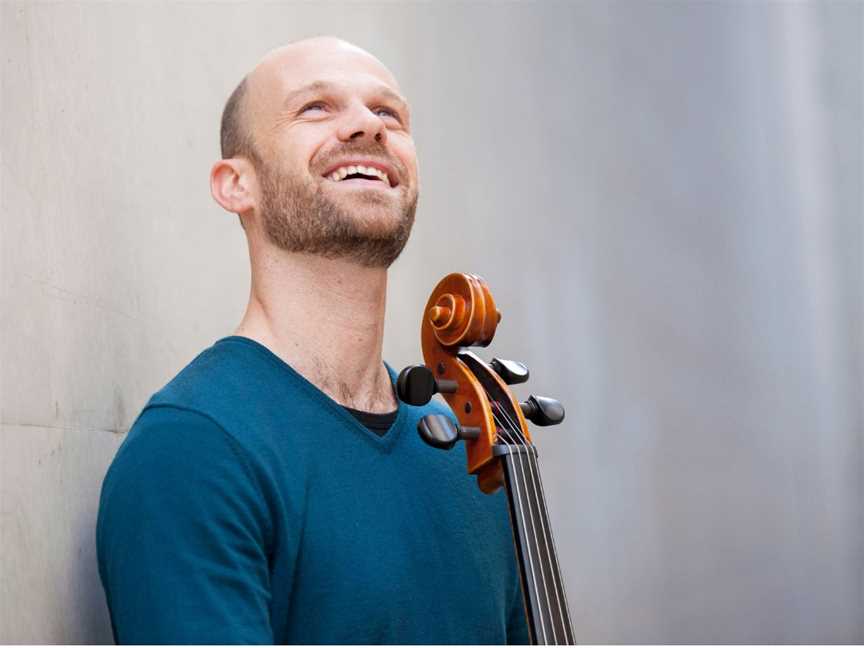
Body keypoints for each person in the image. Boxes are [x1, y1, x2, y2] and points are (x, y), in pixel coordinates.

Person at [96, 36, 528, 644]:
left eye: (389, 114)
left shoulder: (463, 451)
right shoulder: (193, 450)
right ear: (234, 185)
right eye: (316, 108)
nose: (367, 128)